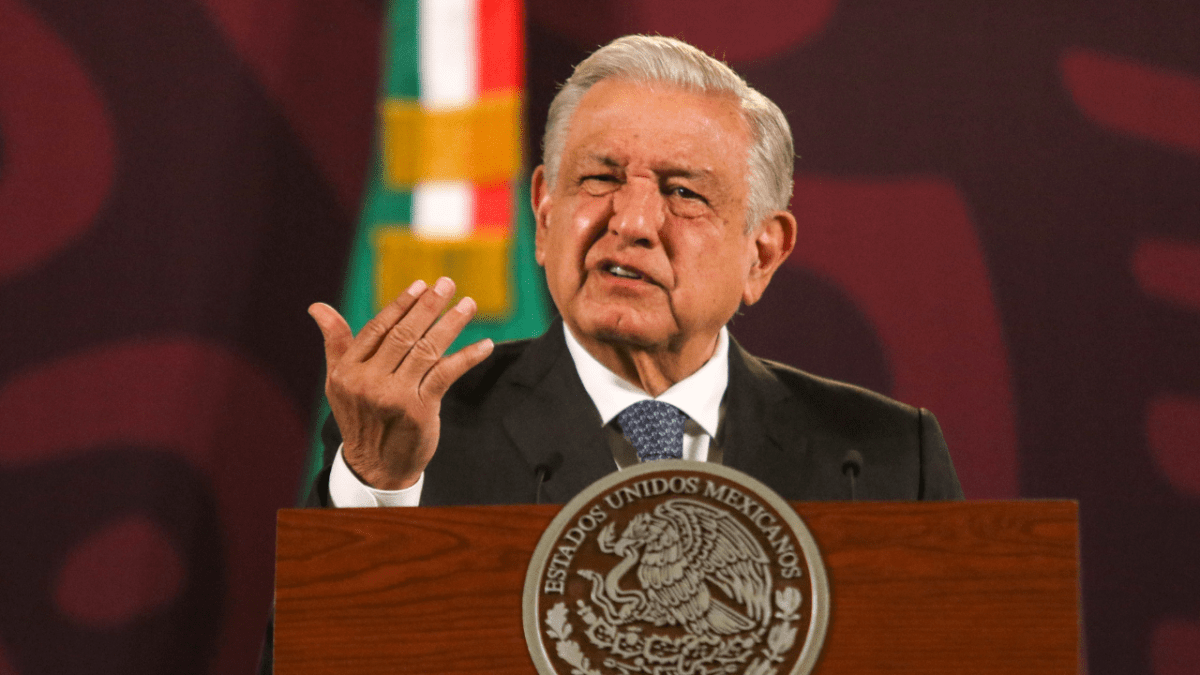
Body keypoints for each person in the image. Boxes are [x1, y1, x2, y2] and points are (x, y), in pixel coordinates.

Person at [305, 34, 963, 508]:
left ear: (761, 254)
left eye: (683, 192)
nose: (632, 220)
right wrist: (378, 489)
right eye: (600, 178)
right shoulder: (410, 439)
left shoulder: (886, 460)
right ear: (543, 215)